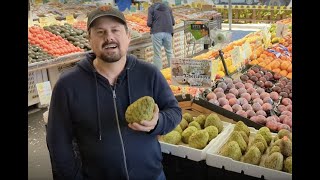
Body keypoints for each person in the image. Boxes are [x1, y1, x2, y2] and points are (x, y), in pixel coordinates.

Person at [46, 5, 182, 180]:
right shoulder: (68, 85)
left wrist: (158, 122)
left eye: (115, 30)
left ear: (128, 36)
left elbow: (174, 112)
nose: (109, 37)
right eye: (100, 32)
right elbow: (58, 142)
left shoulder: (149, 73)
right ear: (89, 39)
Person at [147, 0, 175, 70]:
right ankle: (174, 71)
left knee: (157, 53)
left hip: (157, 32)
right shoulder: (168, 8)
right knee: (169, 51)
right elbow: (173, 22)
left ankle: (159, 73)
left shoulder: (151, 8)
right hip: (168, 31)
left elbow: (149, 23)